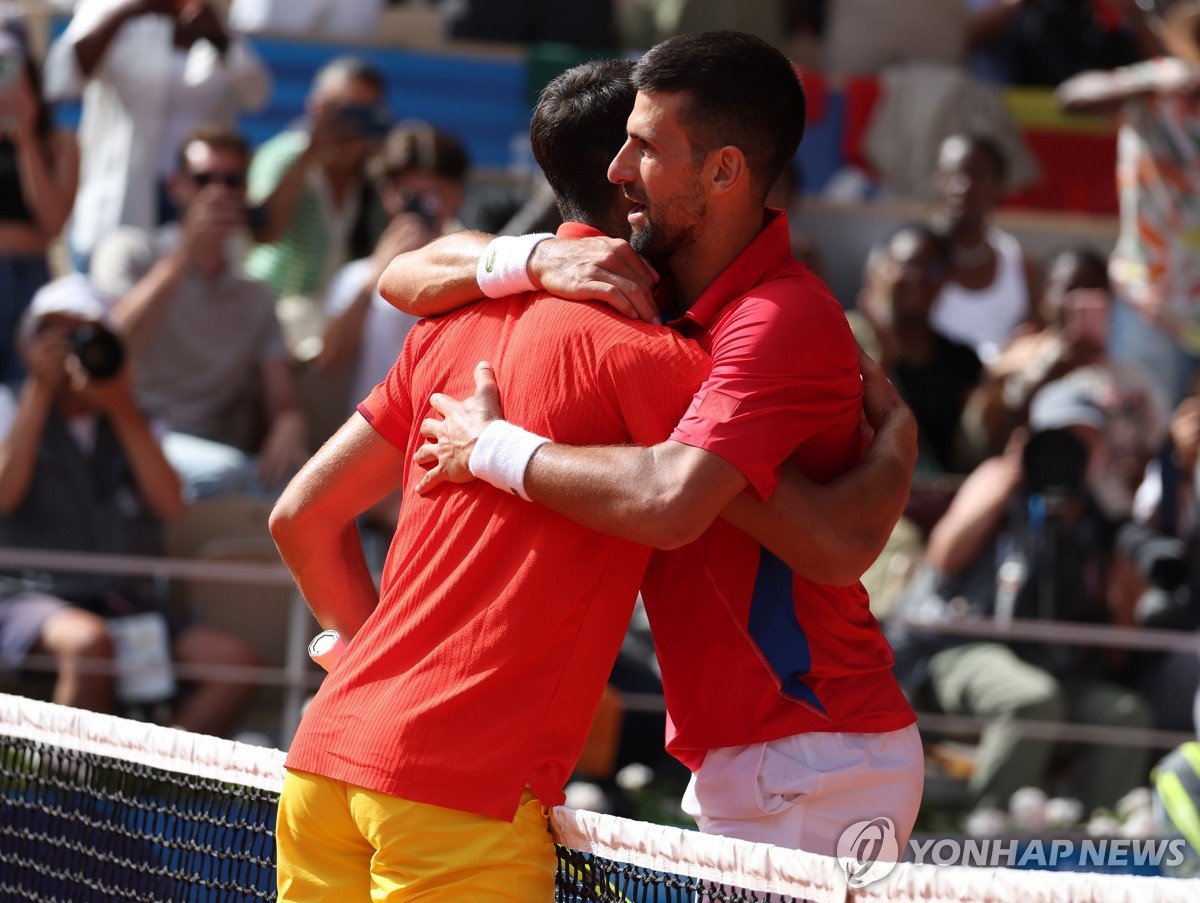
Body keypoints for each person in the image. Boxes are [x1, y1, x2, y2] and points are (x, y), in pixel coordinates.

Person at [270, 55, 917, 897]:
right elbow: (807, 535)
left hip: (327, 761)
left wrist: (372, 668)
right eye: (628, 148)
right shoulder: (652, 355)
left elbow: (298, 517)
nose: (627, 169)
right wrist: (900, 442)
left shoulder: (451, 324)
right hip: (472, 785)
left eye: (645, 148)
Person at [0, 275, 259, 736]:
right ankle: (62, 796)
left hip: (127, 604)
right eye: (54, 335)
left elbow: (170, 505)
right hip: (31, 596)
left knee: (234, 663)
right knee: (89, 643)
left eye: (83, 336)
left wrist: (119, 405)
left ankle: (149, 783)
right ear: (29, 344)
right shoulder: (8, 406)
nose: (69, 350)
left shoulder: (135, 417)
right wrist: (40, 392)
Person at [888, 377, 1154, 813]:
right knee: (1032, 700)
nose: (1071, 457)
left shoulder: (1099, 517)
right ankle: (993, 838)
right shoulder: (999, 479)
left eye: (1087, 445)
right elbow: (945, 555)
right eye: (1062, 441)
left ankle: (1102, 845)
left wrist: (1123, 559)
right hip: (959, 651)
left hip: (1054, 666)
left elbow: (1119, 649)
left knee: (1126, 714)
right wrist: (1008, 478)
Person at [90, 124, 309, 501]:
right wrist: (182, 257)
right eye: (203, 179)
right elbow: (109, 350)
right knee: (224, 475)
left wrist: (289, 425)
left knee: (311, 492)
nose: (218, 191)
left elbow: (283, 401)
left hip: (218, 454)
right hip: (132, 435)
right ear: (177, 187)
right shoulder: (129, 251)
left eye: (232, 180)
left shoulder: (255, 297)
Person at [42, 0, 270, 273]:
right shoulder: (107, 7)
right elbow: (60, 79)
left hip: (192, 197)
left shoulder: (212, 19)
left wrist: (219, 38)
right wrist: (132, 9)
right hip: (118, 197)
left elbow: (256, 96)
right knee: (110, 286)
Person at [1057, 1, 1200, 410]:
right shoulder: (1159, 81)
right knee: (1134, 440)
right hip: (1150, 304)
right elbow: (1071, 96)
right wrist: (1154, 86)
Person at [245, 56, 390, 361]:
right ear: (315, 107)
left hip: (335, 329)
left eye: (364, 112)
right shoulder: (283, 155)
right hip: (271, 317)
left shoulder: (378, 172)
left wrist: (387, 165)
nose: (352, 123)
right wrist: (312, 149)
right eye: (342, 109)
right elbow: (265, 231)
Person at [855, 222, 985, 476]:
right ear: (879, 270)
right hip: (869, 489)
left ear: (948, 278)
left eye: (932, 266)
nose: (917, 275)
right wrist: (884, 360)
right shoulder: (848, 337)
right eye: (905, 264)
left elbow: (970, 455)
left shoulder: (962, 358)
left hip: (939, 494)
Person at [0, 24, 78, 388]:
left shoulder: (61, 144)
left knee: (26, 393)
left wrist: (25, 136)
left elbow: (52, 224)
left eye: (9, 69)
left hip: (31, 282)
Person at [928, 132, 1041, 369]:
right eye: (951, 174)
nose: (962, 186)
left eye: (976, 175)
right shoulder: (902, 261)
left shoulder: (1021, 266)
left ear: (998, 187)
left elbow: (1034, 342)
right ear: (935, 180)